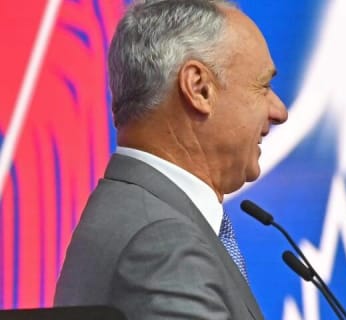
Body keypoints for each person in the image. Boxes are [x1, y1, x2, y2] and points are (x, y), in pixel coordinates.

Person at [54, 0, 288, 319]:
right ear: (199, 88)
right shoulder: (162, 241)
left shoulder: (135, 212)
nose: (279, 112)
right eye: (263, 87)